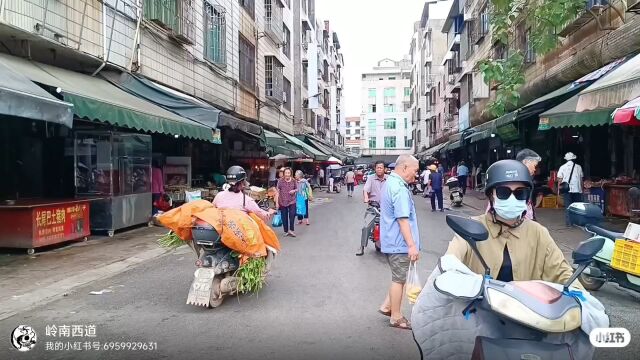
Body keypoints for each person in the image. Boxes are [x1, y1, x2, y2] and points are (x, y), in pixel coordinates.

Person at [447, 160, 582, 286]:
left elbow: (564, 274)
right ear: (491, 196)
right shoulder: (471, 229)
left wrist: (582, 301)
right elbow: (450, 262)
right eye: (503, 192)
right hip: (478, 309)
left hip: (525, 310)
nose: (512, 198)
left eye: (520, 193)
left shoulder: (538, 233)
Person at [378, 154, 421, 330]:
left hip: (391, 241)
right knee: (399, 279)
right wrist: (411, 245)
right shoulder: (399, 188)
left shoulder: (391, 183)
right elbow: (403, 220)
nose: (416, 175)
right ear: (404, 168)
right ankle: (396, 316)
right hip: (399, 243)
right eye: (415, 171)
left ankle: (387, 306)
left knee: (399, 277)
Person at [484, 148, 541, 220]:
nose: (534, 169)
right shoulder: (505, 179)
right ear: (526, 162)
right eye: (534, 165)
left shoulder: (527, 181)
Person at [557, 152, 584, 226]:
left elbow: (559, 179)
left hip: (566, 190)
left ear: (566, 159)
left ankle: (569, 223)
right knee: (578, 207)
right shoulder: (579, 167)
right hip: (577, 190)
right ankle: (578, 222)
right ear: (573, 159)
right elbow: (581, 180)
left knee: (568, 206)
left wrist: (559, 190)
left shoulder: (562, 167)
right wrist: (582, 190)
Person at [277, 167, 299, 237]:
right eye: (286, 173)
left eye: (288, 173)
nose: (287, 174)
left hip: (292, 200)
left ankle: (291, 230)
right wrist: (277, 202)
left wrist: (294, 191)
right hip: (282, 200)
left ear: (290, 174)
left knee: (292, 214)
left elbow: (297, 188)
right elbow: (278, 190)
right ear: (284, 174)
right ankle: (286, 231)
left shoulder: (293, 180)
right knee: (284, 216)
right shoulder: (280, 181)